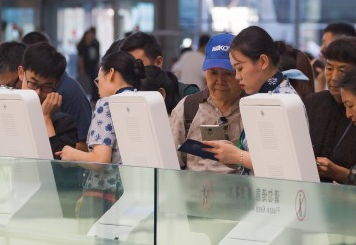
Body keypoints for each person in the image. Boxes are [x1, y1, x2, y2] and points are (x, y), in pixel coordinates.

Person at [58, 52, 146, 216]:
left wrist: (72, 153)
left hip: (103, 195)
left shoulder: (107, 104)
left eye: (99, 80)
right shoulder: (144, 101)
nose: (98, 88)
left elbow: (100, 159)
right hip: (136, 193)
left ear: (111, 73)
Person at [202, 26, 297, 173]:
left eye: (239, 69)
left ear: (263, 62)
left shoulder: (280, 101)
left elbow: (285, 164)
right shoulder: (265, 96)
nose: (237, 76)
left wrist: (237, 156)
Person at [169, 32, 244, 174]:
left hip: (241, 193)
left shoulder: (252, 110)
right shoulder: (187, 108)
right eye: (213, 73)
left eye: (228, 73)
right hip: (195, 194)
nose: (220, 81)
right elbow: (171, 166)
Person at [306, 37, 356, 183]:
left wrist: (338, 173)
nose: (334, 77)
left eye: (342, 70)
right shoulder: (313, 103)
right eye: (329, 68)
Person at [23, 31, 94, 145]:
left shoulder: (70, 92)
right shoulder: (22, 89)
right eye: (33, 83)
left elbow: (84, 147)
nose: (37, 92)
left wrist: (46, 118)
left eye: (46, 86)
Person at [121, 31, 201, 96]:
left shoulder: (188, 96)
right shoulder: (123, 94)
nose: (132, 73)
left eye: (138, 65)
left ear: (158, 62)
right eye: (127, 67)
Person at [76, 27, 101, 93]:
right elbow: (80, 58)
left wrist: (98, 64)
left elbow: (97, 54)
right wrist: (81, 69)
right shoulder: (82, 45)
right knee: (86, 82)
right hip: (86, 66)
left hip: (93, 65)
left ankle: (94, 97)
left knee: (94, 81)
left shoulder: (95, 43)